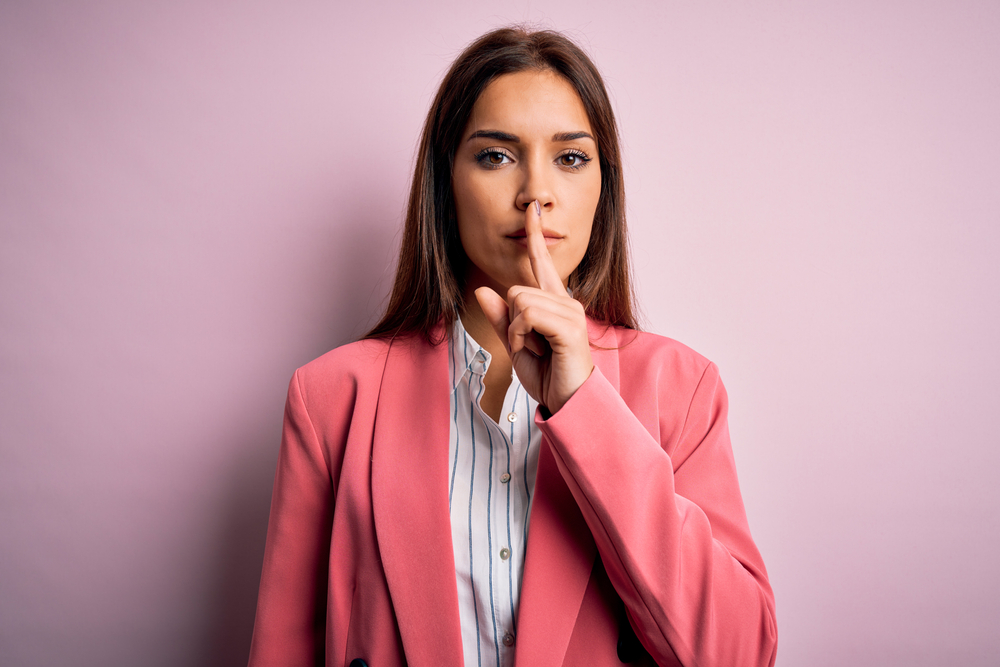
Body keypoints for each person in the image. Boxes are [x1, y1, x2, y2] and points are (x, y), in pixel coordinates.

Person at [247, 26, 777, 667]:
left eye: (570, 158)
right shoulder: (330, 399)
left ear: (603, 188)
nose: (535, 193)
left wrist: (585, 404)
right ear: (446, 182)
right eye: (496, 156)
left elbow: (739, 652)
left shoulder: (683, 388)